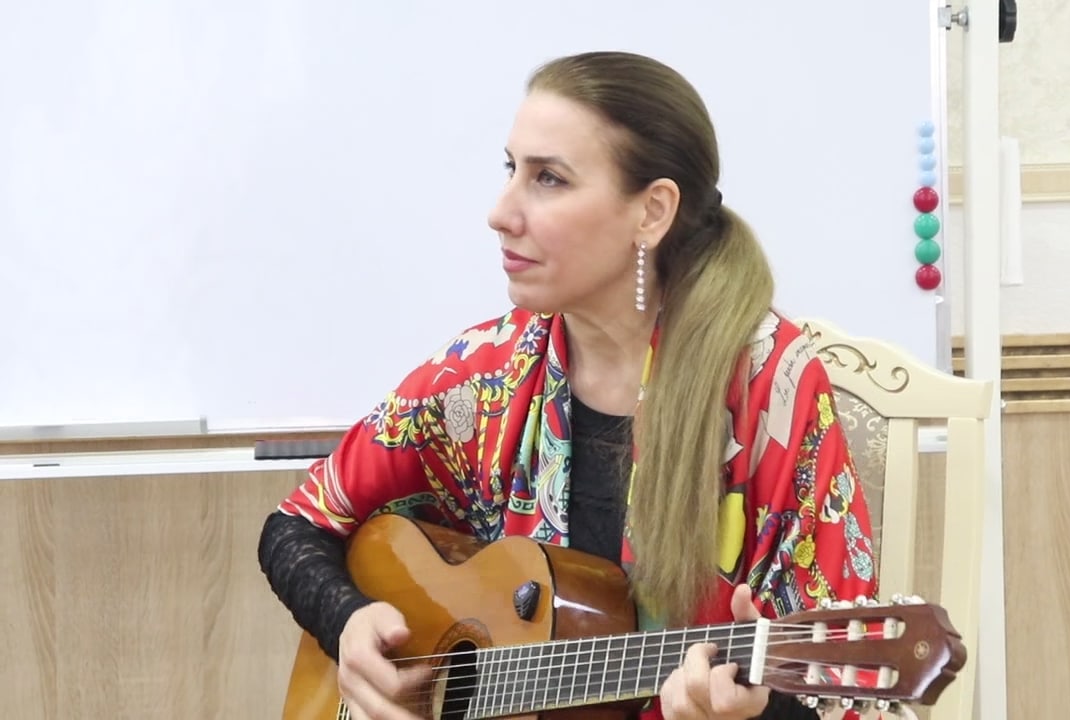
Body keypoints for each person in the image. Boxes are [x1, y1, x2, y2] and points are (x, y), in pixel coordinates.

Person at [257, 50, 878, 720]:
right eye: (511, 169)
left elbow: (840, 687)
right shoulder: (488, 373)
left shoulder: (771, 387)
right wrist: (347, 623)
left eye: (548, 179)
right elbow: (297, 527)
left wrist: (750, 714)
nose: (501, 212)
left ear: (652, 212)